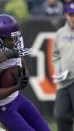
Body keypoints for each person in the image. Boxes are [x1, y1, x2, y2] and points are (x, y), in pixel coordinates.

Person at [0, 14, 50, 131]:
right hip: (0, 106)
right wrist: (17, 86)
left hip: (16, 97)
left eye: (15, 37)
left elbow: (19, 57)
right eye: (9, 39)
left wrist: (24, 71)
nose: (14, 42)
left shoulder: (17, 40)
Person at [52, 2, 74, 131]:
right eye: (71, 15)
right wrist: (58, 70)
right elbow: (55, 56)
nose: (73, 18)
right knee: (60, 115)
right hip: (64, 82)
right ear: (66, 15)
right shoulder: (60, 33)